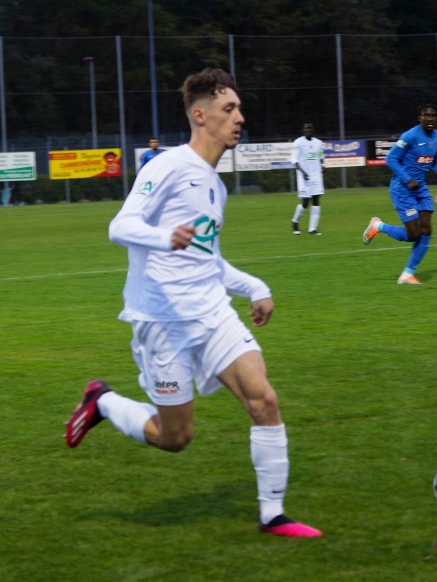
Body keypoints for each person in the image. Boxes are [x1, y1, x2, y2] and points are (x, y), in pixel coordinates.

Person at [63, 68, 322, 538]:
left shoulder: (214, 185)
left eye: (239, 109)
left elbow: (208, 259)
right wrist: (163, 237)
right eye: (229, 109)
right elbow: (120, 226)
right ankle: (103, 402)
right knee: (175, 438)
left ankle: (273, 515)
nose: (240, 118)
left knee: (263, 399)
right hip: (162, 320)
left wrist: (254, 286)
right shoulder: (168, 166)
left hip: (212, 312)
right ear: (200, 116)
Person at [361, 104, 437, 285]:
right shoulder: (410, 136)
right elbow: (391, 158)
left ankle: (407, 274)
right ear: (419, 118)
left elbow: (434, 162)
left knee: (426, 229)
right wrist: (407, 179)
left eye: (433, 115)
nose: (430, 118)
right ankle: (378, 225)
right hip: (402, 188)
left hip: (420, 188)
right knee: (413, 234)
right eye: (426, 115)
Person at [289, 123, 326, 235]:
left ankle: (312, 229)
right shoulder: (298, 142)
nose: (308, 130)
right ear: (303, 130)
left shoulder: (319, 143)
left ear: (313, 130)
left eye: (310, 128)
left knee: (316, 200)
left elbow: (321, 156)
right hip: (304, 177)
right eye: (306, 128)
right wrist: (303, 173)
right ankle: (295, 221)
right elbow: (295, 161)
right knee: (305, 202)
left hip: (316, 176)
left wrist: (323, 166)